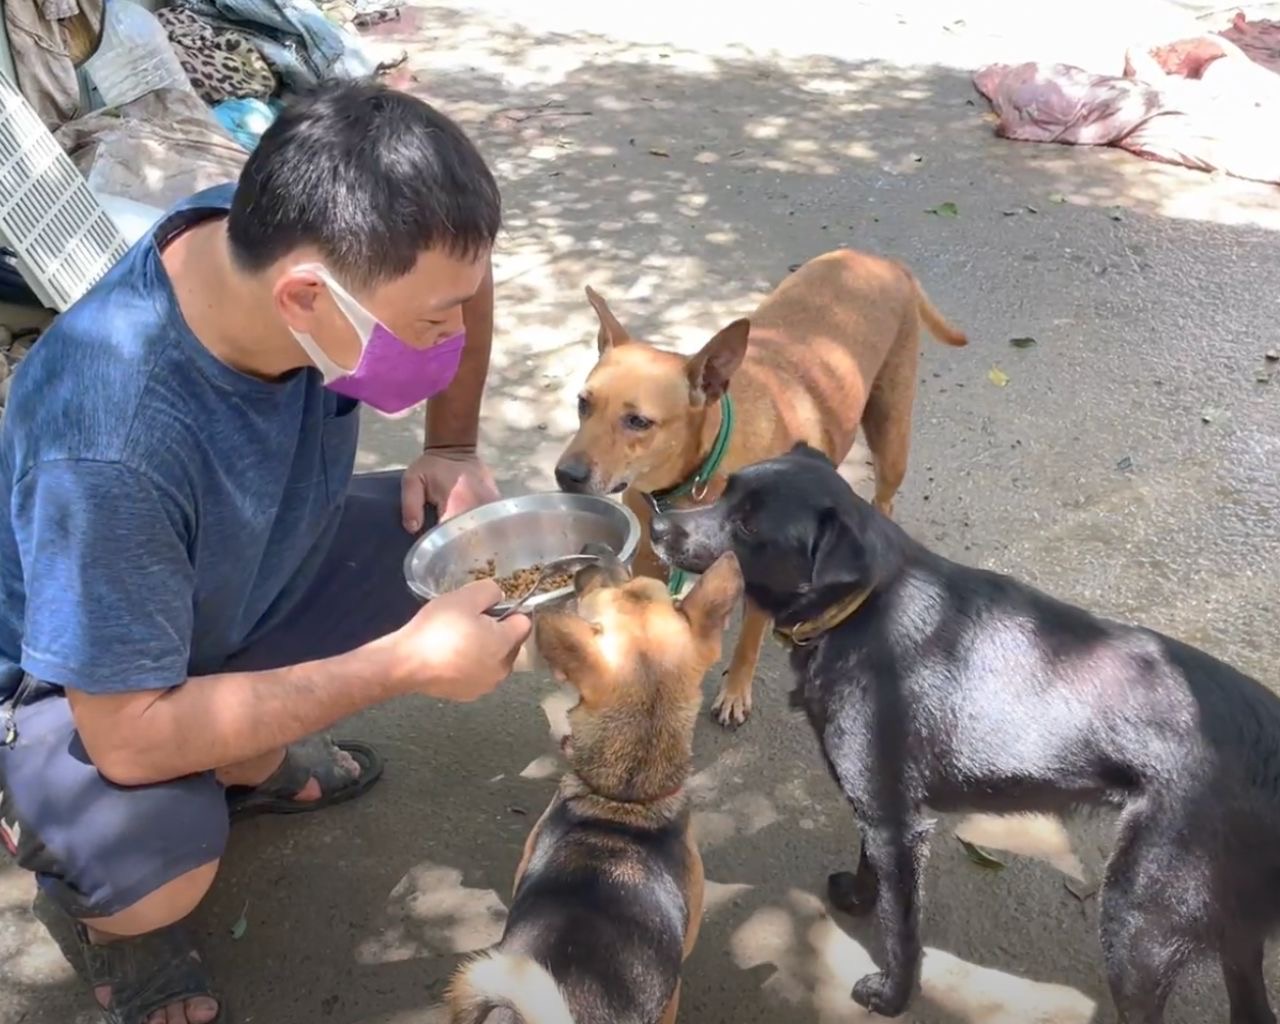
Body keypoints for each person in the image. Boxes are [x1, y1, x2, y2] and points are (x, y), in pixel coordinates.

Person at [0, 80, 531, 1024]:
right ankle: (105, 908)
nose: (449, 334)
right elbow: (126, 737)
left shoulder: (265, 239)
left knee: (469, 555)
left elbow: (464, 275)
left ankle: (244, 755)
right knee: (152, 857)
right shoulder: (112, 444)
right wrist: (400, 667)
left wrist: (451, 446)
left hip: (240, 567)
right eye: (428, 322)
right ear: (305, 299)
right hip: (83, 688)